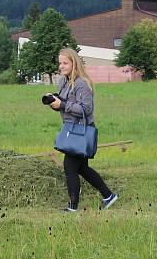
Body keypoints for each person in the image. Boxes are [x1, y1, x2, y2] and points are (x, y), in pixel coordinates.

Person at [48, 48, 117, 213]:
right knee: (80, 168)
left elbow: (86, 109)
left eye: (65, 63)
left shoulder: (82, 84)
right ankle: (108, 196)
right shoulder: (63, 81)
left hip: (82, 131)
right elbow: (66, 107)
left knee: (70, 166)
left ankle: (72, 207)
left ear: (74, 63)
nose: (61, 66)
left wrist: (63, 105)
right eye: (60, 63)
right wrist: (56, 104)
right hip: (71, 129)